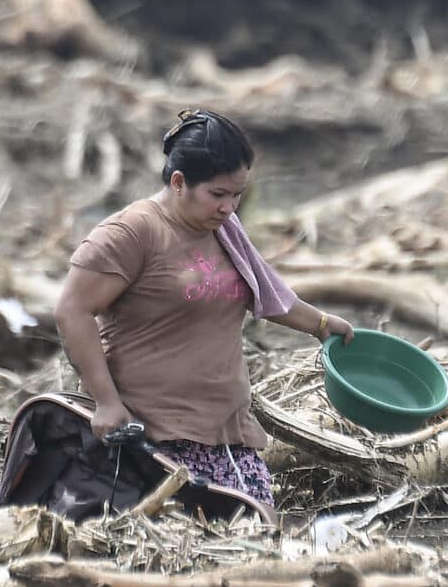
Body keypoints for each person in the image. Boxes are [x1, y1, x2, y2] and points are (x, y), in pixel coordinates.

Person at [55, 109, 353, 508]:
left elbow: (264, 293)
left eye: (237, 195)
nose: (229, 206)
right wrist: (107, 402)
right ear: (179, 183)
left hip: (225, 429)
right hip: (151, 437)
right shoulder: (131, 233)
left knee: (254, 537)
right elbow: (72, 311)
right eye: (217, 194)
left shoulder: (225, 230)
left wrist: (320, 324)